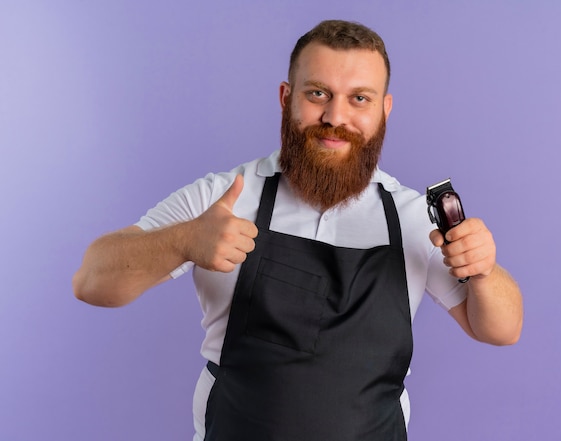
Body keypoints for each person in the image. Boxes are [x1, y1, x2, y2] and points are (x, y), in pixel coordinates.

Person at [73, 19, 523, 441]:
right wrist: (183, 239)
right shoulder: (227, 197)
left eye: (359, 99)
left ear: (384, 110)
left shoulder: (412, 217)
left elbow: (502, 329)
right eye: (318, 94)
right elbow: (92, 280)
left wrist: (483, 271)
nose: (335, 117)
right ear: (286, 97)